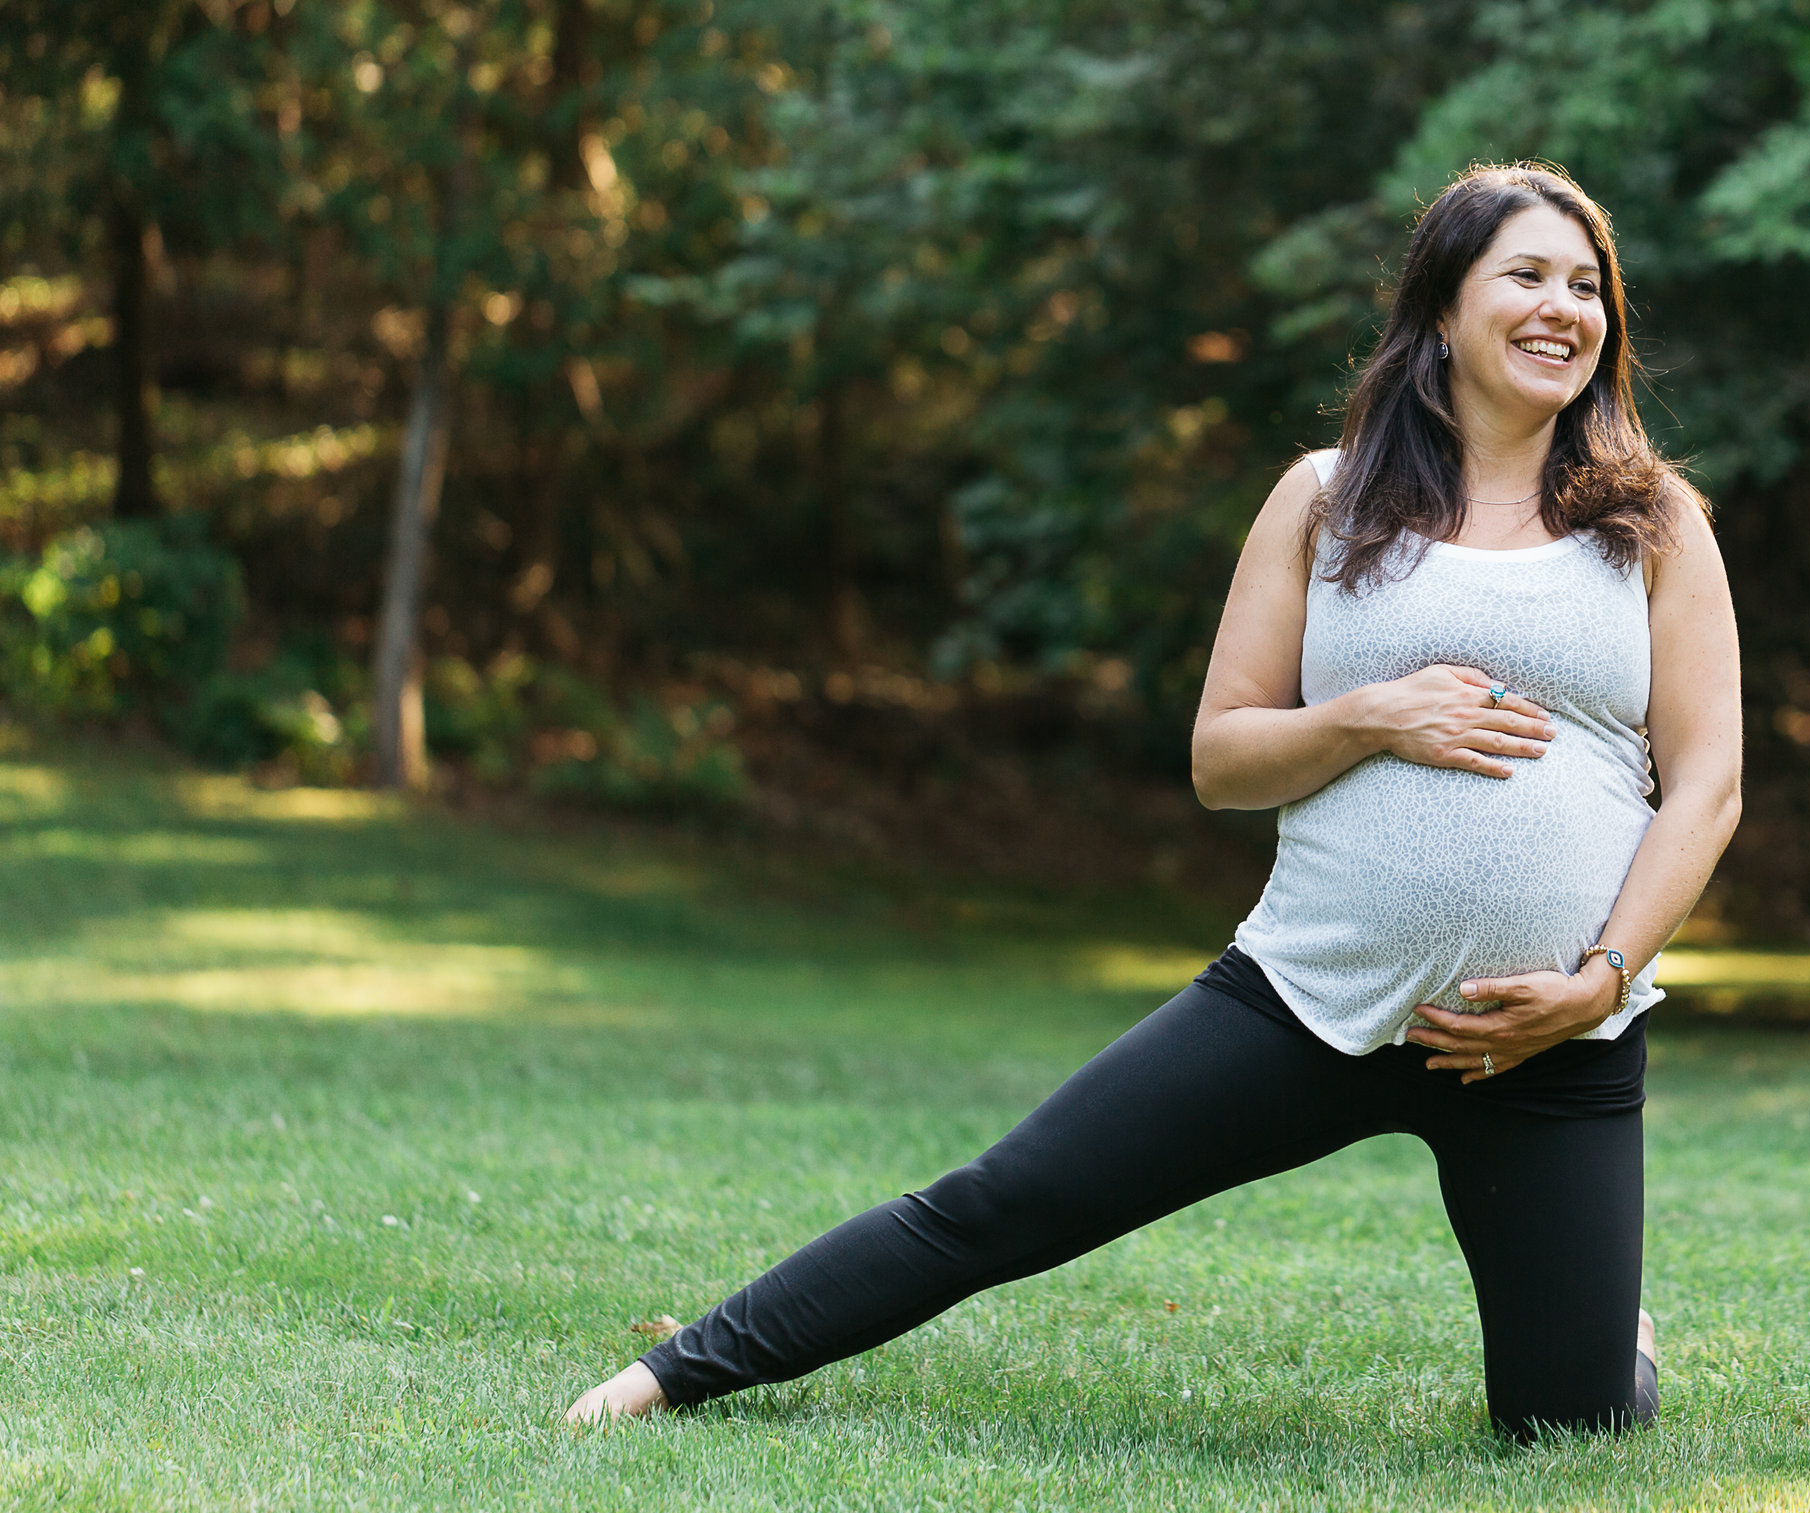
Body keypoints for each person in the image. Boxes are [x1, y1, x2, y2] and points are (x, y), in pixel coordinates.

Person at [567, 162, 1744, 1440]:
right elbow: (1222, 757)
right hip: (1305, 998)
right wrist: (1369, 715)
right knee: (1007, 1200)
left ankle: (1612, 1335)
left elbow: (1707, 785)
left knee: (1569, 1425)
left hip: (1543, 1040)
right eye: (1525, 275)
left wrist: (1599, 981)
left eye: (1586, 286)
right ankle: (669, 1373)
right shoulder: (1327, 497)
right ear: (1442, 309)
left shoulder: (1654, 522)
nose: (1563, 308)